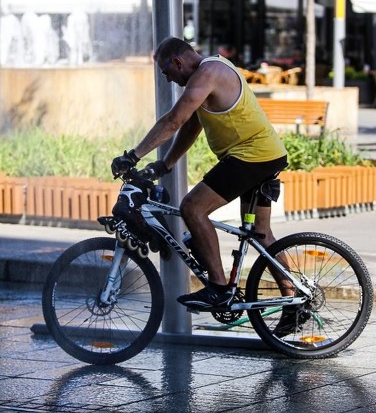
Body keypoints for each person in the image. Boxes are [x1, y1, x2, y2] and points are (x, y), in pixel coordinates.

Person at [111, 38, 289, 312]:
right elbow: (191, 127)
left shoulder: (208, 74)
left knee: (192, 208)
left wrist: (133, 155)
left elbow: (173, 121)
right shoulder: (206, 76)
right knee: (261, 234)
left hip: (251, 156)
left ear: (178, 62)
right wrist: (165, 164)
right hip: (265, 154)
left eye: (167, 73)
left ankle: (219, 289)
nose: (169, 80)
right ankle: (293, 301)